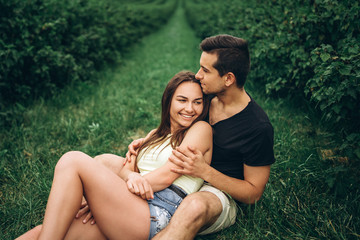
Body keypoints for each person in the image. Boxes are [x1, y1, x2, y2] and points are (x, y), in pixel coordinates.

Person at [16, 71, 213, 240]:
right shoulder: (155, 135)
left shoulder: (200, 130)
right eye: (182, 100)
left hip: (158, 212)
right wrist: (129, 179)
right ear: (168, 100)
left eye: (197, 102)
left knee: (72, 160)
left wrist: (109, 194)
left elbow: (167, 175)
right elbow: (127, 169)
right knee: (39, 233)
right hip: (132, 207)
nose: (190, 109)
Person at [127, 34, 275, 239]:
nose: (198, 75)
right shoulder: (206, 96)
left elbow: (254, 193)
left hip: (216, 191)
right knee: (107, 163)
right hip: (183, 178)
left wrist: (206, 172)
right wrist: (150, 141)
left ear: (228, 78)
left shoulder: (257, 127)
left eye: (205, 70)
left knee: (193, 207)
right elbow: (179, 120)